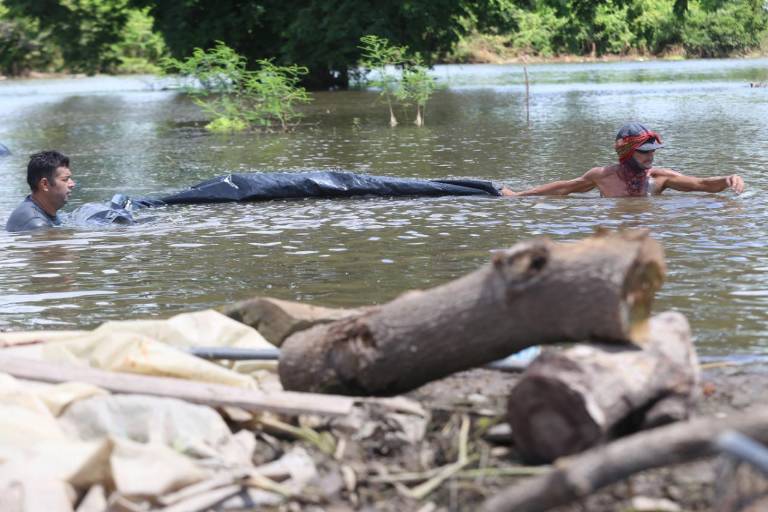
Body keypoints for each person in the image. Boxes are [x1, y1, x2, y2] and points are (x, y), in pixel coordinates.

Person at [501, 122, 744, 197]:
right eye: (644, 151)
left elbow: (701, 184)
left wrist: (727, 179)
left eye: (652, 151)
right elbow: (565, 187)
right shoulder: (602, 176)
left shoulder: (659, 179)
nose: (650, 156)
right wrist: (520, 195)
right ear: (626, 153)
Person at [5, 150, 75, 232]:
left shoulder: (41, 210)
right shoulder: (36, 225)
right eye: (65, 179)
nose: (72, 184)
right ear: (44, 184)